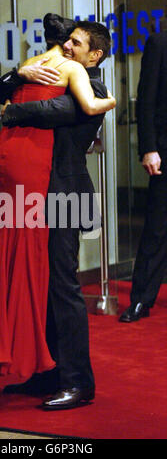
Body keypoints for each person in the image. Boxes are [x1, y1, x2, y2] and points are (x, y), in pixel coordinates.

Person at [0, 14, 115, 393]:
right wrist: (20, 75)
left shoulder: (93, 87)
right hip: (41, 194)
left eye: (76, 44)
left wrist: (13, 108)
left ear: (94, 55)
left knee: (63, 287)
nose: (66, 47)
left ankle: (78, 383)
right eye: (68, 41)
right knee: (42, 283)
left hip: (67, 195)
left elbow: (51, 110)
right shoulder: (56, 76)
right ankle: (47, 372)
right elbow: (1, 89)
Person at [119, 30, 167, 323]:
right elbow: (145, 100)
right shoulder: (160, 41)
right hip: (165, 149)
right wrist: (148, 148)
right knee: (157, 227)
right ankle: (141, 300)